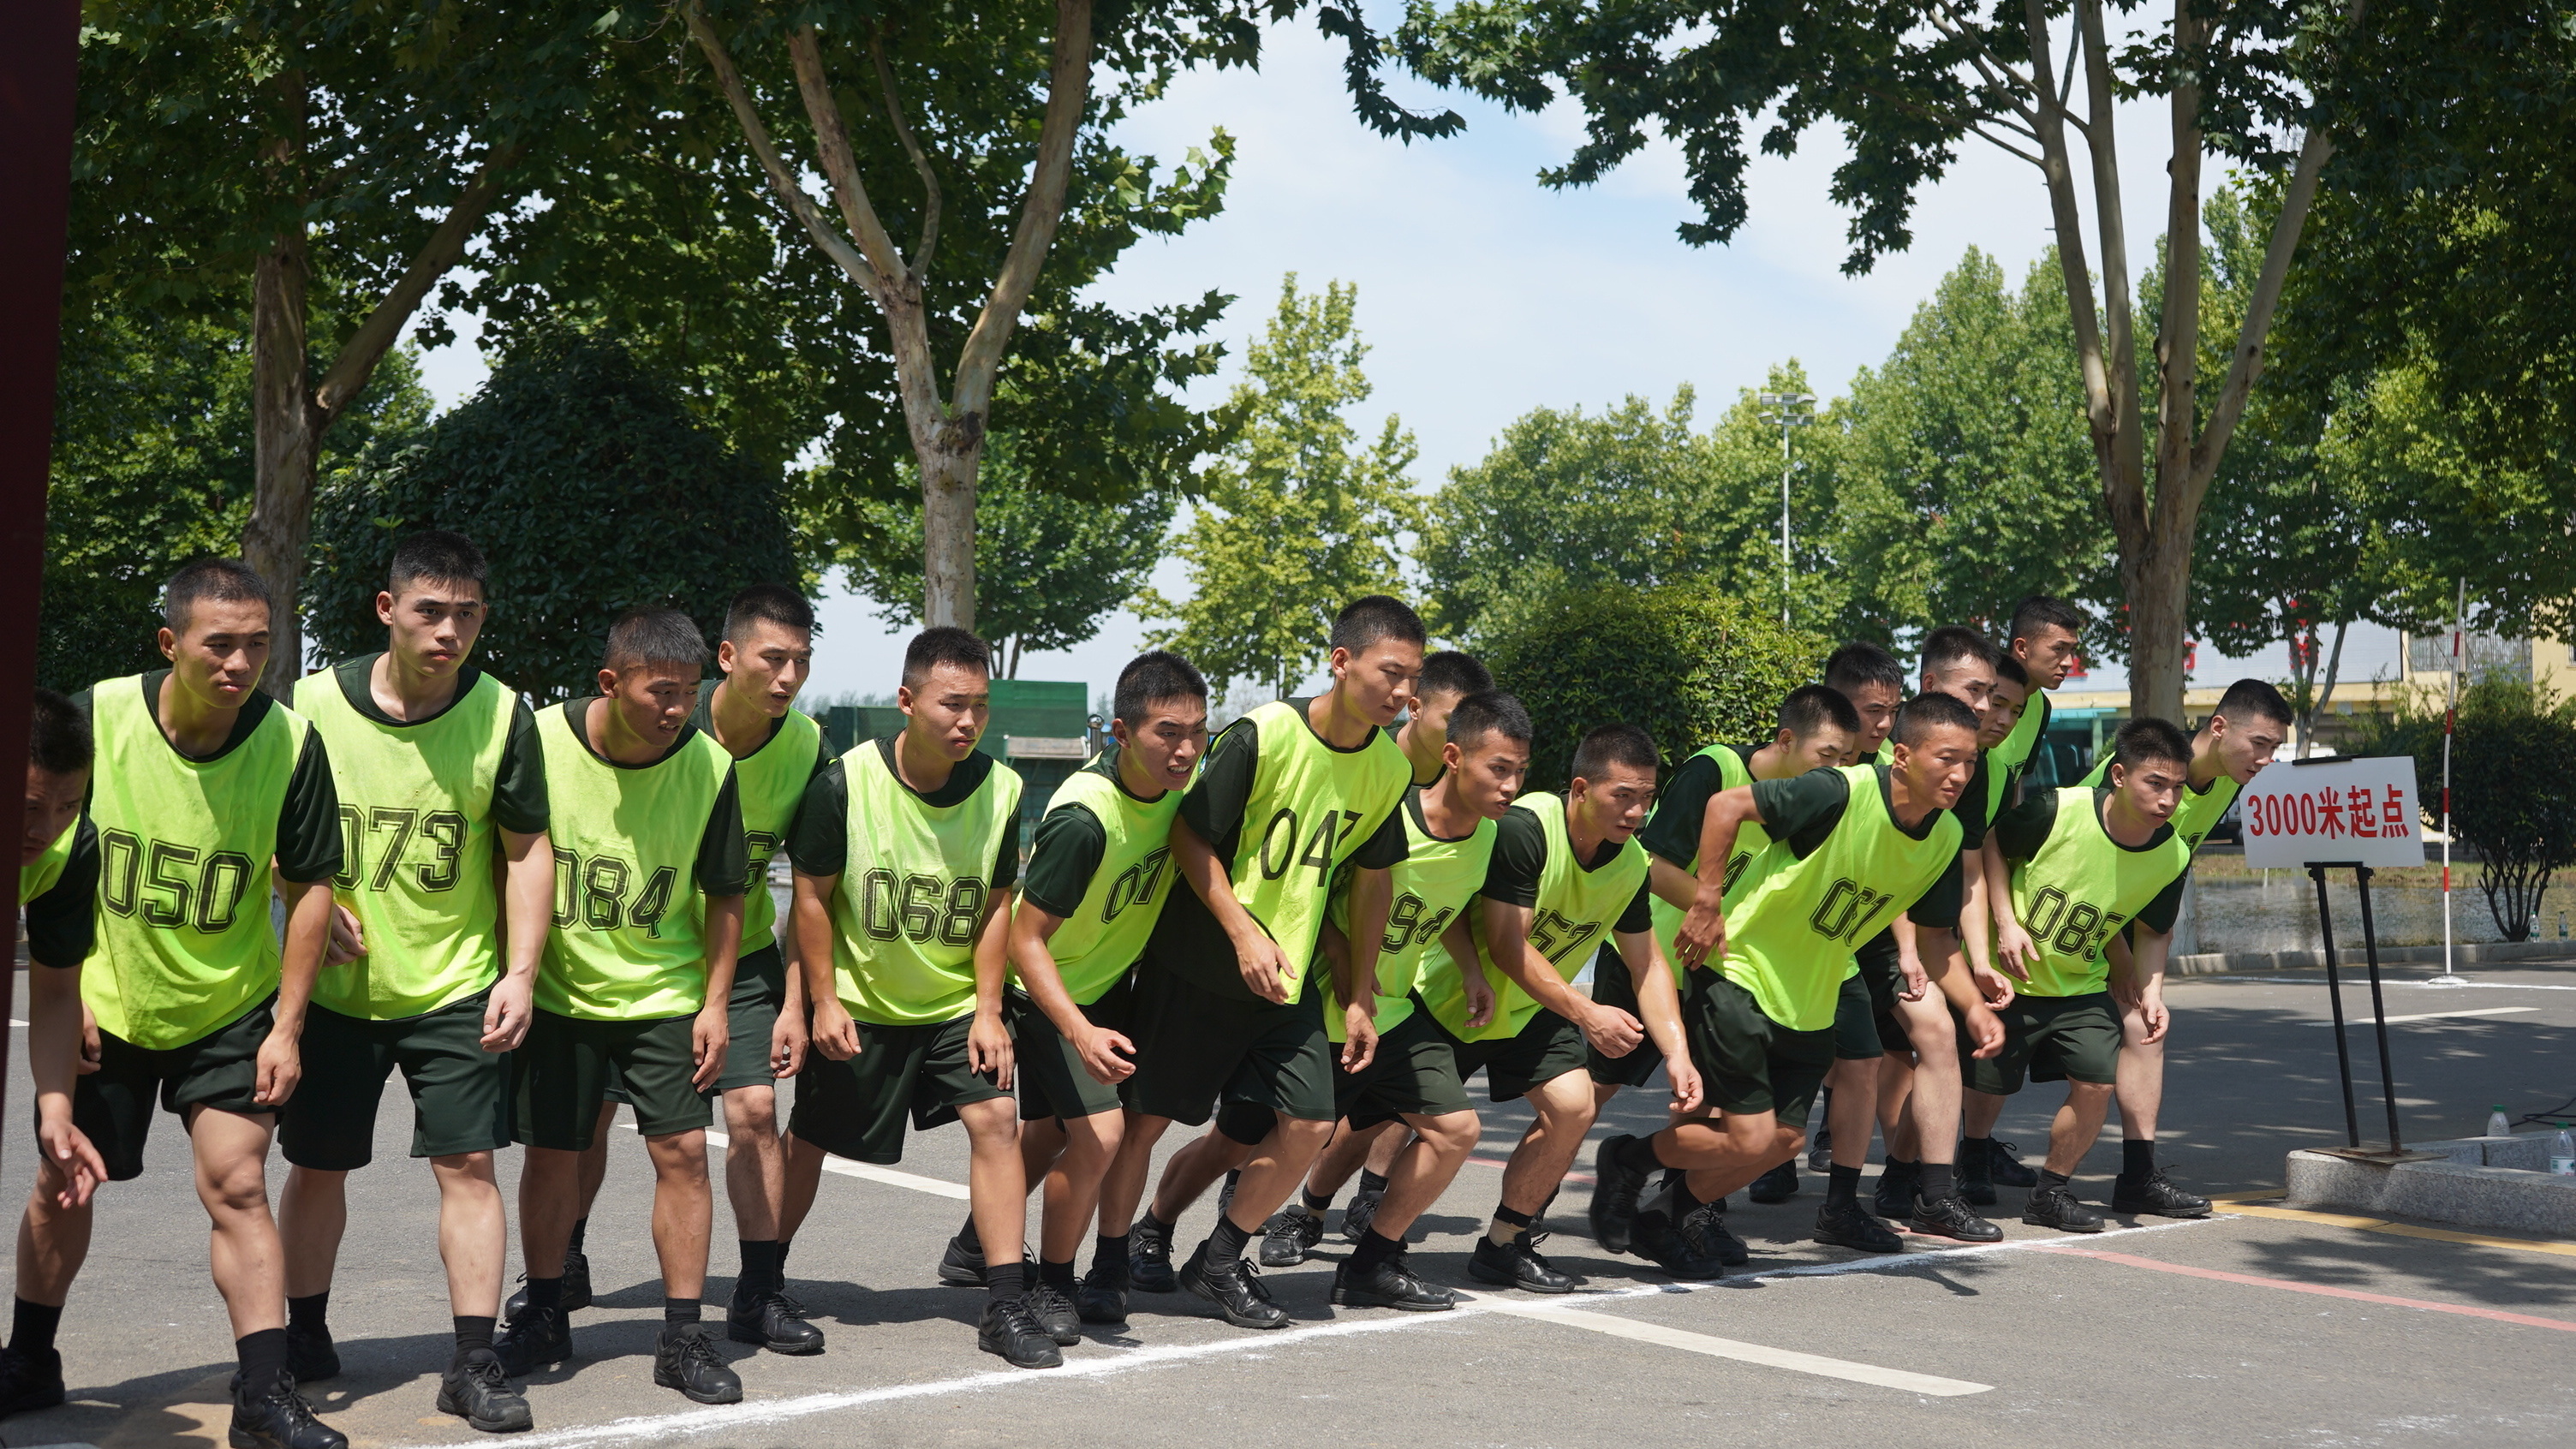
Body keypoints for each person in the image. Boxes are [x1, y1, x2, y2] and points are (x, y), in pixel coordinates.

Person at [27, 560, 349, 1447]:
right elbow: (49, 857)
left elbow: (314, 885)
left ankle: (263, 1395)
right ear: (171, 643)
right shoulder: (101, 718)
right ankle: (30, 1356)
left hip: (228, 1005)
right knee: (66, 1184)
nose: (240, 663)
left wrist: (287, 1023)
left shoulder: (288, 741)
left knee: (238, 1183)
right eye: (221, 644)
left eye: (258, 645)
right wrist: (74, 986)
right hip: (109, 1001)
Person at [274, 532, 546, 1434]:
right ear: (387, 610)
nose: (449, 630)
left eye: (467, 614)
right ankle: (302, 1336)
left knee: (469, 1166)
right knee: (316, 1168)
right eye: (430, 611)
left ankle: (472, 1361)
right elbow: (262, 819)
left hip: (455, 985)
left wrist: (520, 971)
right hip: (337, 991)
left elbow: (526, 849)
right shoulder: (311, 703)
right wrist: (298, 895)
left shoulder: (504, 713)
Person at [1107, 597, 1420, 1330]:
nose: (1405, 693)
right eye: (1393, 674)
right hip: (1197, 968)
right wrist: (1243, 933)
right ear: (1342, 664)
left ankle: (1219, 1260)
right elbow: (1192, 840)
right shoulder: (1264, 733)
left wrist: (1359, 996)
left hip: (1288, 983)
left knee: (1309, 1122)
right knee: (1144, 1126)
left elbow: (1370, 884)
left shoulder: (1386, 766)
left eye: (1414, 680)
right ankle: (1114, 1258)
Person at [1595, 694, 1978, 1279]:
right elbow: (1725, 807)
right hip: (1741, 973)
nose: (1960, 774)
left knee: (1781, 1143)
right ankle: (1628, 1161)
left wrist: (1975, 1007)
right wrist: (1706, 899)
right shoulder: (1839, 791)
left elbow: (1935, 942)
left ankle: (1662, 1217)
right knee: (1746, 1135)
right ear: (1903, 756)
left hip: (1812, 994)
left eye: (1970, 763)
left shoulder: (1946, 836)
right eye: (1948, 758)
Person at [493, 610, 748, 1406]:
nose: (677, 709)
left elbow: (727, 895)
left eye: (689, 693)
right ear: (611, 683)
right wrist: (515, 974)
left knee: (682, 1156)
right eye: (660, 693)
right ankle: (542, 1313)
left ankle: (681, 1333)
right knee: (554, 1157)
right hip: (561, 994)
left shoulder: (708, 765)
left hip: (665, 995)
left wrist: (714, 1004)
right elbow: (497, 860)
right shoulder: (536, 740)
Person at [781, 629, 1053, 1368]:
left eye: (981, 707)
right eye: (952, 705)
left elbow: (998, 904)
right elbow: (810, 899)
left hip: (952, 1007)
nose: (968, 722)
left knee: (997, 1118)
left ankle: (1003, 1303)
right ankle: (761, 1281)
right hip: (863, 1005)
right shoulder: (845, 783)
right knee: (809, 1137)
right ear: (907, 702)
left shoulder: (1001, 789)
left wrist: (990, 1008)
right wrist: (821, 1002)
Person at [1417, 724, 1702, 1291]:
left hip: (1533, 1008)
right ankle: (1314, 1210)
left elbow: (1647, 965)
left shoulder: (1629, 865)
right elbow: (1506, 946)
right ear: (1580, 789)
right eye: (1623, 795)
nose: (1636, 811)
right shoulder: (1528, 828)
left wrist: (1678, 1054)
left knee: (1573, 1108)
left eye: (1647, 797)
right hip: (1452, 992)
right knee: (1366, 1123)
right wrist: (1586, 1011)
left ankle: (1504, 1242)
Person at [1273, 691, 1531, 1307]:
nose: (1513, 785)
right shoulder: (1389, 815)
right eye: (1500, 768)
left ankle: (1370, 1263)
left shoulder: (1491, 840)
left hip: (1392, 1015)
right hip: (1323, 1010)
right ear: (1453, 757)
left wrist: (1471, 970)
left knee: (1456, 1129)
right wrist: (1340, 964)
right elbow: (1316, 895)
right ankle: (1181, 1240)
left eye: (1522, 770)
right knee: (1257, 1143)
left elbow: (1443, 913)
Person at [1590, 686, 1858, 1249]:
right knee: (1589, 1095)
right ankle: (1525, 1217)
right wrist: (1719, 915)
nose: (1836, 773)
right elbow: (1655, 867)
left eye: (1847, 762)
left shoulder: (1812, 807)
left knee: (1713, 1108)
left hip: (1715, 972)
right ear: (1786, 741)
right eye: (1827, 758)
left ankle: (1678, 1215)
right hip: (1648, 954)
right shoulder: (1718, 769)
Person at [2032, 677, 2291, 1217]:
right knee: (1988, 1050)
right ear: (2218, 727)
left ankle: (2138, 1176)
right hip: (2069, 919)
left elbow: (2166, 878)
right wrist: (2119, 957)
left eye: (2275, 749)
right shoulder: (2138, 768)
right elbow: (2093, 867)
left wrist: (2151, 981)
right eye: (2260, 744)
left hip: (2127, 924)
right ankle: (1953, 1165)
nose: (2266, 759)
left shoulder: (2228, 780)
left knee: (2146, 1028)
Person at [1008, 652, 1209, 1337]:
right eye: (1166, 734)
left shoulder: (1186, 787)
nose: (1184, 750)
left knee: (1046, 1136)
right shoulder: (1083, 820)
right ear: (1120, 734)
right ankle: (1056, 1286)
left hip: (1108, 988)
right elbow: (1024, 940)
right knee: (1099, 1134)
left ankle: (976, 1245)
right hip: (1043, 993)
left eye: (1197, 733)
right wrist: (1079, 1030)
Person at [1977, 718, 2198, 1231]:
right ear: (2119, 776)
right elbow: (1991, 845)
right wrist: (2005, 925)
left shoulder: (2173, 853)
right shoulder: (2058, 809)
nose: (2168, 799)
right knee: (1986, 1088)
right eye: (2155, 783)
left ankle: (2050, 1192)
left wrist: (2153, 993)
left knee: (2097, 1081)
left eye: (2178, 788)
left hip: (2079, 986)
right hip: (2009, 979)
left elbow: (2152, 931)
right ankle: (1967, 1166)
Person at [689, 586, 827, 1355]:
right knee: (591, 1128)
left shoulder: (807, 745)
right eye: (773, 658)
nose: (787, 676)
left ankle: (759, 1290)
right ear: (729, 656)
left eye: (801, 662)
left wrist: (796, 1004)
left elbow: (813, 890)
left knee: (754, 1116)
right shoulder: (671, 720)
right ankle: (560, 1268)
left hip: (742, 961)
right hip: (647, 956)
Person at [1859, 627, 2012, 1243]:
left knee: (1940, 1035)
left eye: (1992, 696)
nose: (1983, 706)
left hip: (1897, 936)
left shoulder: (1973, 778)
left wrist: (1979, 964)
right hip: (1825, 936)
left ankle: (1928, 1192)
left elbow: (1957, 868)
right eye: (1974, 691)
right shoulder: (1859, 773)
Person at [1, 690, 104, 1419]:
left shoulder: (72, 847)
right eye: (33, 806)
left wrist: (56, 1109)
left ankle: (29, 1360)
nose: (48, 827)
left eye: (67, 805)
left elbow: (58, 992)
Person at [1989, 594, 2087, 786]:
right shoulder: (1978, 695)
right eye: (2059, 648)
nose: (2068, 662)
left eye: (2072, 650)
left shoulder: (2041, 707)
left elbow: (2017, 781)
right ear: (2022, 647)